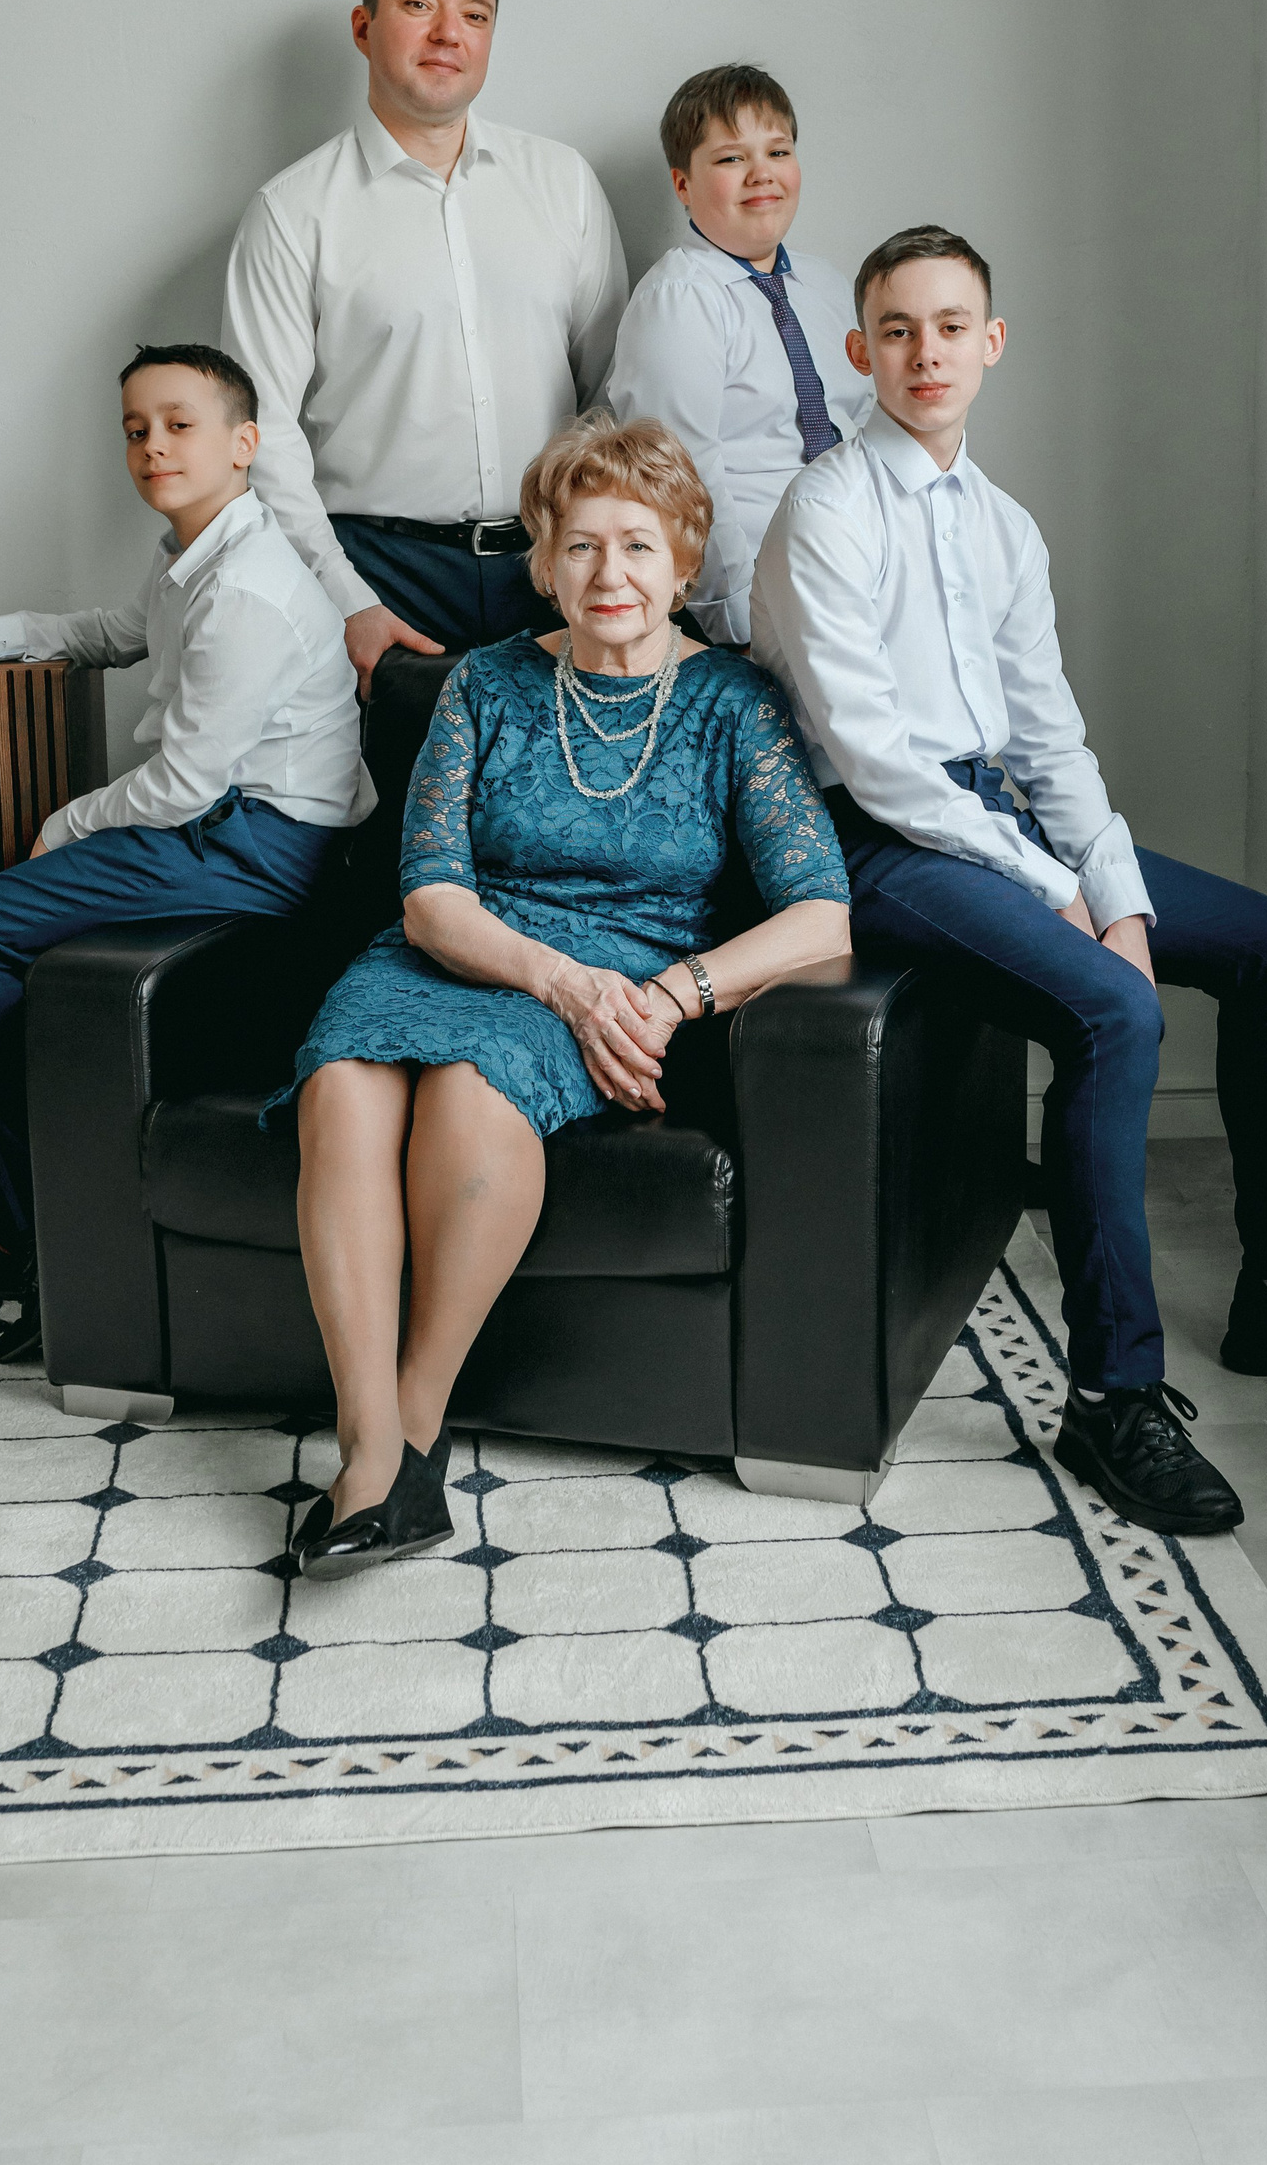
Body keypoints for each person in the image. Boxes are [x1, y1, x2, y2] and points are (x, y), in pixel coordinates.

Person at [751, 225, 1267, 1538]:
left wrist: (1114, 890)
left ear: (991, 343)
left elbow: (1049, 740)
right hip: (880, 840)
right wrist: (1053, 891)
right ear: (860, 351)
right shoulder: (825, 512)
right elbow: (875, 760)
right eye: (897, 330)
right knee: (1115, 1008)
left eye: (950, 326)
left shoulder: (1005, 526)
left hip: (999, 810)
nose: (924, 353)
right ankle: (1110, 1397)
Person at [277, 412, 850, 1574]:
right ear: (543, 563)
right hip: (466, 954)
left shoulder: (733, 703)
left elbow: (821, 917)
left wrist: (674, 993)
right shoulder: (480, 685)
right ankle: (368, 1446)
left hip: (629, 970)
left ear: (683, 563)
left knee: (469, 1092)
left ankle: (415, 1426)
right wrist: (559, 980)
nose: (609, 573)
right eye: (580, 545)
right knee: (339, 1085)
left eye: (638, 545)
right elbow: (431, 897)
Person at [0, 343, 372, 1361]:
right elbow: (115, 630)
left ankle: (32, 1231)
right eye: (136, 430)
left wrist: (64, 825)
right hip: (219, 824)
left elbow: (182, 783)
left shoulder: (247, 586)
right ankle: (22, 1224)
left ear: (244, 443)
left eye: (180, 425)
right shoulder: (196, 554)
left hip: (259, 844)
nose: (153, 447)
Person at [220, 0, 629, 685]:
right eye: (419, 5)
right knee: (395, 769)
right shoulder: (292, 212)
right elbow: (260, 431)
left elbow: (610, 390)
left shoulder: (564, 185)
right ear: (363, 27)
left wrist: (595, 558)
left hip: (552, 569)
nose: (449, 33)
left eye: (474, 14)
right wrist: (347, 599)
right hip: (379, 576)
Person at [607, 63, 870, 644]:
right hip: (762, 597)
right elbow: (681, 477)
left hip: (862, 572)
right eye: (731, 158)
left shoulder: (828, 287)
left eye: (778, 152)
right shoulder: (680, 299)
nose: (762, 174)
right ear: (683, 185)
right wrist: (737, 619)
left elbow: (866, 428)